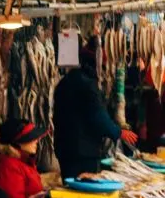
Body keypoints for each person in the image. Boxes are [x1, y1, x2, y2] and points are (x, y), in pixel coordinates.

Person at [53, 37, 138, 179]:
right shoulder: (87, 85)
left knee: (69, 185)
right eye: (102, 65)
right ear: (96, 64)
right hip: (82, 152)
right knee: (82, 187)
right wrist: (118, 132)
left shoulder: (66, 81)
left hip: (64, 148)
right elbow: (97, 115)